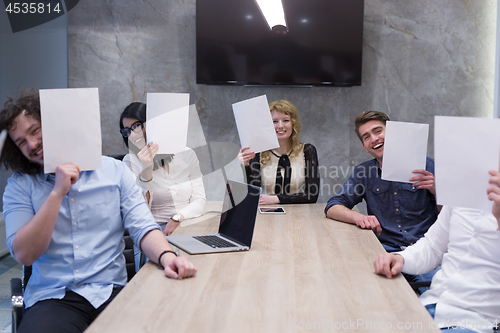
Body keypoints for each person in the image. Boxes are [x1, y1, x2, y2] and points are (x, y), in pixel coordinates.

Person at [0, 90, 197, 333]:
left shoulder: (114, 172)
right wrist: (56, 193)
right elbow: (24, 254)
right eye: (21, 141)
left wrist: (168, 256)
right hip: (52, 299)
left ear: (55, 124)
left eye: (34, 130)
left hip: (111, 292)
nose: (31, 144)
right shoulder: (19, 186)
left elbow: (143, 228)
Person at [373, 169, 500, 333]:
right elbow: (432, 247)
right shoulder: (461, 194)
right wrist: (401, 259)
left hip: (477, 322)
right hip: (430, 307)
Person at [324, 110, 439, 289]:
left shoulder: (427, 166)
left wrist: (436, 190)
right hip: (385, 251)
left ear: (392, 133)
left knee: (435, 300)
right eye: (366, 136)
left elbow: (452, 215)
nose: (374, 139)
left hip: (425, 251)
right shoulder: (364, 172)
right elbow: (333, 206)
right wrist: (359, 217)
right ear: (364, 146)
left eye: (378, 131)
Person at [119, 102, 206, 237]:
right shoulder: (130, 161)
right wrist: (146, 169)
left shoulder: (186, 153)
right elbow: (140, 212)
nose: (132, 135)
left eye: (136, 126)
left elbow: (200, 200)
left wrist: (178, 217)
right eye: (127, 131)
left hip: (189, 225)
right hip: (154, 234)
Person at [238, 100, 319, 205]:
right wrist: (245, 167)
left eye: (286, 120)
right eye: (274, 121)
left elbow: (312, 195)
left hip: (300, 215)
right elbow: (253, 195)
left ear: (293, 123)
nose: (280, 126)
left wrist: (277, 199)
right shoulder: (257, 153)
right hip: (267, 215)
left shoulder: (307, 150)